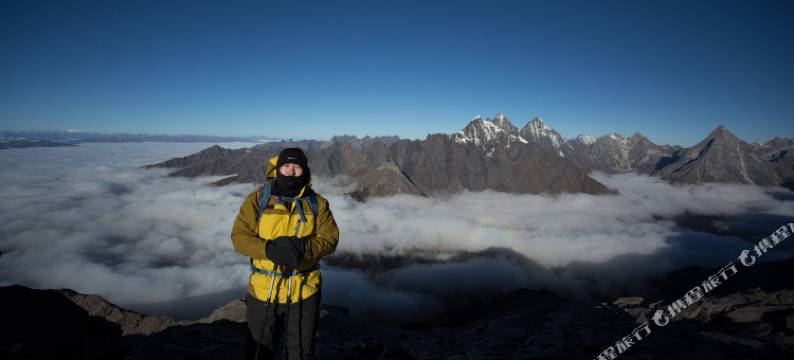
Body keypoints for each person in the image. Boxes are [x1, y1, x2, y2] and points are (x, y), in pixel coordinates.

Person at [231, 147, 340, 360]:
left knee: (300, 352)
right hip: (263, 290)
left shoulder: (317, 203)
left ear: (305, 171)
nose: (291, 171)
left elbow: (330, 239)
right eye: (286, 166)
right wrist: (268, 250)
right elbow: (239, 237)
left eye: (297, 167)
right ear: (277, 168)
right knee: (259, 351)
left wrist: (303, 249)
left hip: (304, 291)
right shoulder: (257, 200)